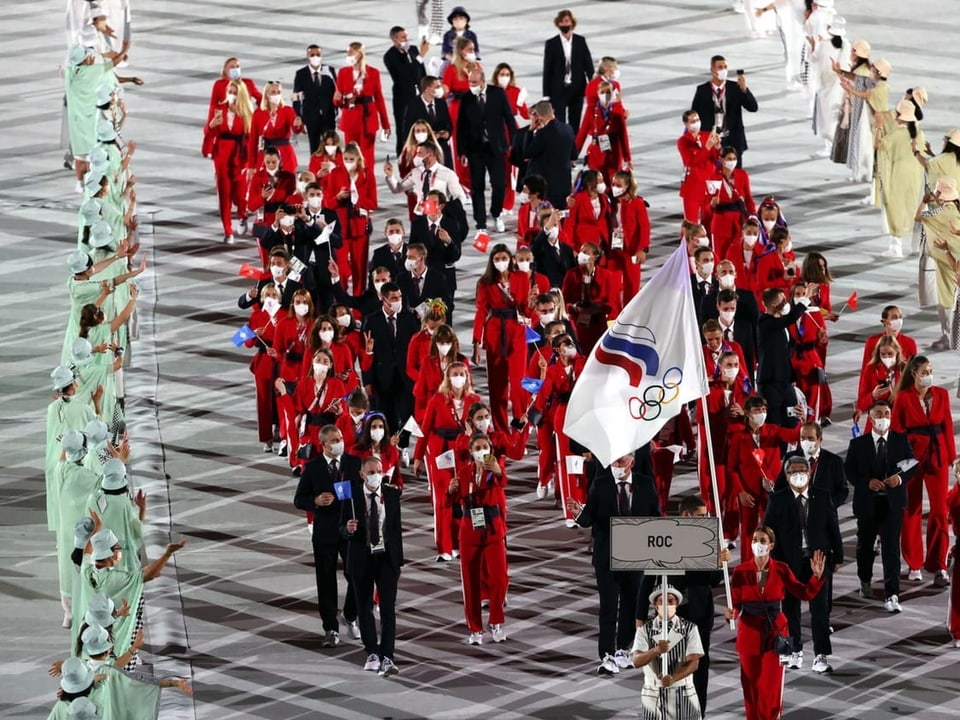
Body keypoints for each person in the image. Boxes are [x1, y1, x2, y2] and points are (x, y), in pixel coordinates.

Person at [567, 453, 660, 675]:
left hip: (634, 555)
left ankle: (622, 649)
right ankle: (606, 654)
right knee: (608, 606)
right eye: (614, 461)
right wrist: (578, 513)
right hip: (607, 556)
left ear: (632, 463)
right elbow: (589, 518)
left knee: (630, 604)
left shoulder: (645, 485)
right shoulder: (600, 484)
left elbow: (655, 518)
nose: (617, 465)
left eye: (621, 461)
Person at [725, 527, 826, 720]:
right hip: (749, 634)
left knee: (770, 686)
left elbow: (803, 593)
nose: (757, 544)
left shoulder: (781, 569)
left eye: (762, 540)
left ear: (771, 545)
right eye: (755, 539)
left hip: (775, 634)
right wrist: (731, 614)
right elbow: (736, 604)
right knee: (751, 685)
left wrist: (816, 577)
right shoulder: (740, 571)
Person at [763, 456, 843, 673]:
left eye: (802, 470)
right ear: (787, 476)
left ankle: (821, 655)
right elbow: (768, 532)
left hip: (817, 561)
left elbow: (833, 528)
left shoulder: (822, 495)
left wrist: (838, 557)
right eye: (792, 471)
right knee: (790, 609)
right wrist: (770, 563)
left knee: (820, 610)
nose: (798, 475)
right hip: (789, 562)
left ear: (809, 473)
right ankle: (794, 649)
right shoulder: (777, 500)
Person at [845, 400, 917, 611]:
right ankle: (865, 580)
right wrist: (865, 482)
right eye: (879, 413)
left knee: (891, 549)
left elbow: (911, 464)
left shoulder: (900, 440)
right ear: (870, 417)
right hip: (868, 502)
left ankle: (892, 594)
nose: (883, 417)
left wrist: (900, 479)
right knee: (865, 546)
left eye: (887, 413)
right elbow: (849, 470)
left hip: (892, 503)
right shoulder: (859, 444)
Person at [293, 425, 361, 647]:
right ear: (324, 444)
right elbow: (298, 499)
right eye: (334, 440)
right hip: (325, 532)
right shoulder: (312, 468)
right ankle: (330, 628)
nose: (339, 442)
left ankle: (349, 615)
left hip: (349, 530)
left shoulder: (353, 463)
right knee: (326, 581)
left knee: (357, 576)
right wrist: (315, 501)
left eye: (340, 438)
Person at [892, 356, 956, 587]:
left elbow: (947, 424)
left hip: (937, 455)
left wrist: (952, 457)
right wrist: (899, 461)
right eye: (924, 371)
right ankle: (914, 563)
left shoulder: (941, 394)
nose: (928, 375)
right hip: (911, 457)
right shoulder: (903, 398)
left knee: (940, 511)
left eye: (930, 370)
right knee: (912, 510)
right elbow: (897, 431)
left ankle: (938, 563)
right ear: (914, 374)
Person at [342, 456, 404, 677]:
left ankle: (388, 656)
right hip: (361, 557)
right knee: (365, 607)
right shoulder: (351, 497)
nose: (375, 475)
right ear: (361, 475)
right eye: (370, 472)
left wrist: (398, 562)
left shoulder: (392, 494)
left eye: (378, 470)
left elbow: (396, 531)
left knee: (388, 609)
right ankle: (372, 652)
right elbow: (342, 528)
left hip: (386, 559)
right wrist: (347, 529)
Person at [413, 363, 481, 561]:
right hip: (441, 452)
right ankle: (444, 547)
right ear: (447, 377)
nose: (458, 377)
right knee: (444, 499)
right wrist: (418, 457)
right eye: (454, 374)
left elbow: (484, 428)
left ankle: (460, 543)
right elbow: (425, 429)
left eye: (461, 374)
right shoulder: (437, 399)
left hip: (464, 453)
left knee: (463, 497)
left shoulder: (474, 400)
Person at [450, 433, 510, 645]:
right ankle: (475, 628)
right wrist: (452, 492)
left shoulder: (495, 467)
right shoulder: (464, 471)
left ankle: (496, 621)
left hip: (493, 528)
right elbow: (456, 501)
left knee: (499, 578)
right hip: (470, 529)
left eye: (485, 446)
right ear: (471, 450)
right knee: (470, 580)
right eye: (478, 447)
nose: (482, 450)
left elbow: (503, 482)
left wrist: (498, 472)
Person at [727, 395, 801, 562]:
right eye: (757, 410)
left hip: (772, 492)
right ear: (747, 413)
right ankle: (747, 566)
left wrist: (801, 420)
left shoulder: (773, 430)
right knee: (748, 532)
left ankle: (773, 564)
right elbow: (732, 468)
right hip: (749, 493)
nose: (761, 413)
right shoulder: (738, 437)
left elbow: (794, 436)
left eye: (763, 410)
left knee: (773, 529)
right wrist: (740, 492)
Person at [472, 245, 529, 431]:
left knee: (519, 382)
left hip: (517, 333)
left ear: (510, 259)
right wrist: (476, 343)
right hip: (495, 333)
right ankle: (501, 430)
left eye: (504, 258)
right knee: (498, 386)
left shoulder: (521, 278)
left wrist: (532, 304)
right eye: (497, 259)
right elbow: (481, 312)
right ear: (492, 261)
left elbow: (526, 308)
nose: (501, 262)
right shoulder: (485, 283)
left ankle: (520, 422)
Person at [361, 283, 419, 458]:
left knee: (408, 412)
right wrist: (368, 381)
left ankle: (403, 444)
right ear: (383, 299)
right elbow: (366, 354)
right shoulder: (371, 320)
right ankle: (392, 447)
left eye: (399, 297)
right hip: (382, 378)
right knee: (388, 414)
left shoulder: (410, 319)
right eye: (393, 298)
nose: (397, 301)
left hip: (406, 376)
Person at [457, 67, 517, 233]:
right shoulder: (467, 98)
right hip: (475, 149)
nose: (471, 85)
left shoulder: (497, 94)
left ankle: (496, 213)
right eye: (470, 82)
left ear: (483, 81)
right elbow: (461, 127)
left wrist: (514, 142)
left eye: (474, 82)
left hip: (496, 148)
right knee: (477, 188)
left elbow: (509, 119)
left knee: (499, 185)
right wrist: (461, 152)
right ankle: (481, 224)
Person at [630, 587, 703, 720]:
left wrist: (673, 678)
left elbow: (694, 662)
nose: (666, 605)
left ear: (677, 604)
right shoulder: (644, 630)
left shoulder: (690, 628)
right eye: (661, 601)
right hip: (653, 694)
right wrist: (655, 650)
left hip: (683, 691)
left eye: (670, 601)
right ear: (655, 605)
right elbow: (636, 661)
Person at [335, 42, 390, 208]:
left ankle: (369, 199)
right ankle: (350, 196)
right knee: (350, 161)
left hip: (367, 122)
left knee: (367, 162)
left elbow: (379, 98)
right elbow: (336, 99)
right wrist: (342, 99)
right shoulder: (343, 72)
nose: (349, 55)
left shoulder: (372, 73)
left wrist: (386, 123)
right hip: (350, 120)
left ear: (359, 54)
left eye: (351, 52)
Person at [203, 78, 253, 243]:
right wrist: (212, 125)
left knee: (240, 193)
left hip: (240, 155)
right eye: (230, 92)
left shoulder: (247, 113)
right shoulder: (219, 110)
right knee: (224, 192)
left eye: (235, 93)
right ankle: (228, 230)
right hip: (222, 154)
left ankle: (242, 214)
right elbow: (209, 131)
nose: (231, 95)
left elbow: (251, 137)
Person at [756, 285, 813, 425]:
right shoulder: (764, 323)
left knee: (792, 420)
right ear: (774, 305)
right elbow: (791, 318)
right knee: (774, 423)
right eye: (783, 300)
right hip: (770, 384)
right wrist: (806, 299)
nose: (786, 303)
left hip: (785, 382)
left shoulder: (779, 323)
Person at [876, 99, 925, 258]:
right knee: (911, 207)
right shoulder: (919, 133)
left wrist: (878, 127)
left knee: (894, 207)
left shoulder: (895, 135)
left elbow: (879, 147)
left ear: (901, 117)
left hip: (897, 174)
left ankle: (896, 247)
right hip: (914, 175)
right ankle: (915, 245)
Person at [690, 56, 759, 164]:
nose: (723, 70)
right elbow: (694, 115)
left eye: (725, 67)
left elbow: (753, 107)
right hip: (711, 140)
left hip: (732, 140)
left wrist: (744, 89)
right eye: (720, 67)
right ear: (712, 70)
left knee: (733, 176)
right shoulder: (702, 90)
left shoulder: (735, 88)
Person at [541, 9, 593, 133]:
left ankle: (572, 150)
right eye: (562, 22)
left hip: (577, 88)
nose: (565, 24)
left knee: (575, 122)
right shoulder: (551, 43)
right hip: (558, 89)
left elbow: (588, 65)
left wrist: (593, 85)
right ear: (558, 24)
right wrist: (546, 95)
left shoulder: (580, 41)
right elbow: (547, 69)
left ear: (572, 23)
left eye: (567, 21)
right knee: (559, 123)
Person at [562, 241, 615, 353]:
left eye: (585, 252)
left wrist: (598, 308)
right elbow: (565, 300)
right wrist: (574, 307)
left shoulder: (607, 276)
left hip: (599, 322)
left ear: (595, 257)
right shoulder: (571, 275)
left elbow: (613, 303)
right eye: (581, 251)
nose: (581, 254)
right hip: (579, 323)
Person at [383, 27, 429, 155]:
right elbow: (405, 75)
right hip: (403, 99)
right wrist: (420, 57)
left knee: (421, 129)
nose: (406, 40)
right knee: (404, 131)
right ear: (394, 39)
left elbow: (421, 72)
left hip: (419, 97)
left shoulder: (413, 50)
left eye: (406, 36)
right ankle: (403, 161)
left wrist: (426, 90)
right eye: (403, 37)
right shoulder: (390, 56)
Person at [606, 169, 649, 305]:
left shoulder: (637, 203)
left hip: (632, 250)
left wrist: (643, 248)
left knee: (632, 286)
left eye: (618, 185)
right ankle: (614, 317)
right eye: (613, 184)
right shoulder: (609, 201)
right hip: (614, 250)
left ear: (627, 186)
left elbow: (644, 227)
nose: (615, 188)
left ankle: (630, 318)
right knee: (612, 284)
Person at [524, 100, 575, 209]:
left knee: (548, 220)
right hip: (564, 183)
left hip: (549, 187)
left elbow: (527, 152)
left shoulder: (543, 133)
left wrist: (530, 130)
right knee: (561, 218)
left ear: (538, 114)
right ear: (552, 111)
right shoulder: (568, 129)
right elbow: (574, 155)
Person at [708, 146, 756, 260]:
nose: (732, 161)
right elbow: (706, 207)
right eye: (729, 158)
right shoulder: (714, 177)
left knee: (737, 258)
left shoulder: (742, 175)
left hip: (739, 224)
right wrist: (711, 204)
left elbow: (749, 199)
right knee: (720, 258)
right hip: (721, 225)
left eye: (734, 158)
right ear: (721, 160)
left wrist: (753, 216)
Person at [248, 81, 302, 177]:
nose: (276, 95)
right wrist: (251, 166)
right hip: (265, 155)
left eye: (278, 92)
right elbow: (253, 141)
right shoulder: (258, 114)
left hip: (285, 155)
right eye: (273, 92)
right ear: (267, 95)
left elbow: (295, 129)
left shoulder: (287, 111)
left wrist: (297, 125)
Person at [677, 110, 721, 223]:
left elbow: (715, 158)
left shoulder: (706, 136)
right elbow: (691, 161)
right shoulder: (683, 142)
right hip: (693, 188)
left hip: (709, 186)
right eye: (692, 121)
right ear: (686, 124)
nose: (696, 123)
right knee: (691, 223)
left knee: (709, 221)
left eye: (697, 120)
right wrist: (707, 148)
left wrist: (716, 146)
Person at [293, 46, 338, 155]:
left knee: (330, 145)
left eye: (318, 54)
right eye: (312, 55)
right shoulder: (301, 74)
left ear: (321, 56)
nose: (315, 57)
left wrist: (337, 111)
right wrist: (298, 116)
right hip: (311, 117)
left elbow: (336, 92)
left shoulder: (329, 71)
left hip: (328, 115)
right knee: (314, 146)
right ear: (307, 56)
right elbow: (297, 97)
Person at [402, 76, 454, 167]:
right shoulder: (413, 106)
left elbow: (448, 125)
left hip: (441, 150)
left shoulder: (441, 103)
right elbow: (407, 131)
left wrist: (445, 133)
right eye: (437, 86)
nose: (440, 88)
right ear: (427, 89)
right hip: (423, 152)